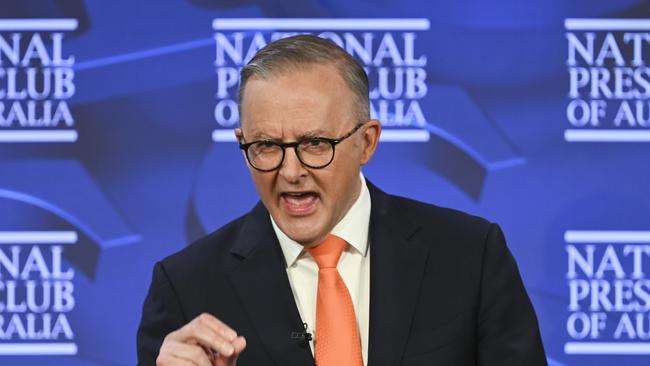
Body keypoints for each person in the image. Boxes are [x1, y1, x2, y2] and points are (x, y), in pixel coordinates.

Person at [137, 34, 547, 366]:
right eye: (266, 145)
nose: (290, 171)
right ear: (242, 143)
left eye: (315, 143)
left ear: (366, 142)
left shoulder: (469, 257)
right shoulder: (186, 289)